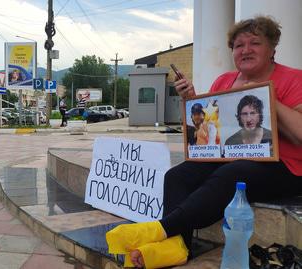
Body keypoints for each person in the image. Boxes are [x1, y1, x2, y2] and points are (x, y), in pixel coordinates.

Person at [106, 15, 302, 269]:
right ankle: (177, 248)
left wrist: (265, 98)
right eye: (239, 45)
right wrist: (191, 101)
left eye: (255, 43)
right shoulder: (223, 81)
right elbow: (211, 133)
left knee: (233, 173)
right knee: (177, 176)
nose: (245, 50)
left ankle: (161, 229)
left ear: (272, 48)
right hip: (234, 156)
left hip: (286, 166)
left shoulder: (294, 79)